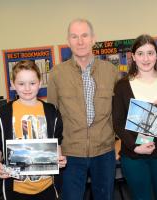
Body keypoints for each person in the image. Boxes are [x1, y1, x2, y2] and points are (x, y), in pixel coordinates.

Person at [47, 18, 119, 200]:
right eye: (74, 36)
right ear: (68, 41)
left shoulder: (111, 72)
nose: (80, 41)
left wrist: (119, 143)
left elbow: (120, 112)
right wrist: (54, 149)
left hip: (104, 152)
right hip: (70, 154)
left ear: (93, 39)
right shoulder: (57, 74)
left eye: (84, 36)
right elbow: (51, 116)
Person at [112, 34, 157, 200]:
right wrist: (136, 146)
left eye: (150, 53)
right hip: (134, 155)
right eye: (140, 53)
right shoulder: (122, 86)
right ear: (133, 57)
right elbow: (118, 123)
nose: (146, 58)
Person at [0, 60, 67, 200]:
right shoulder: (3, 114)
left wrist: (59, 159)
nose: (27, 88)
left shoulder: (52, 112)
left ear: (40, 82)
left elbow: (57, 141)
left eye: (32, 83)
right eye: (21, 83)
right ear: (13, 85)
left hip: (47, 186)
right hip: (15, 188)